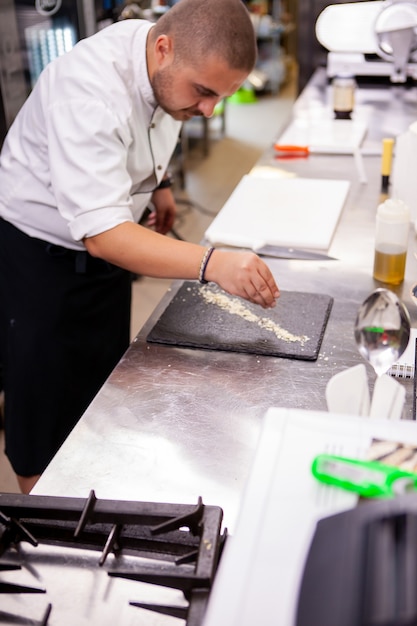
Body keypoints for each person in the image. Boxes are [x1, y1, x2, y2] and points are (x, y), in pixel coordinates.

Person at [0, 0, 280, 494]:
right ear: (165, 49)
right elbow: (104, 235)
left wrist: (160, 180)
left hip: (106, 256)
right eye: (204, 92)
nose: (209, 110)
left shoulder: (163, 62)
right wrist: (212, 263)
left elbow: (151, 121)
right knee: (40, 418)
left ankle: (90, 486)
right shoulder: (88, 90)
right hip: (40, 258)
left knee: (100, 390)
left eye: (223, 97)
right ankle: (45, 535)